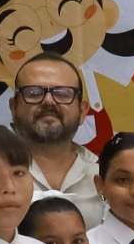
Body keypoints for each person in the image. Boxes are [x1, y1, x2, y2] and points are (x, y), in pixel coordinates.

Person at [10, 56, 102, 227]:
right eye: (33, 93)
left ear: (82, 111)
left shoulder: (104, 177)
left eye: (62, 94)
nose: (48, 101)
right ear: (13, 107)